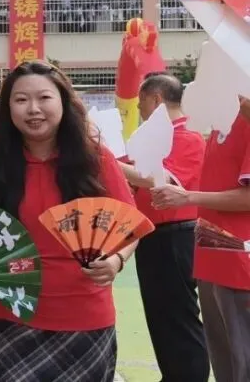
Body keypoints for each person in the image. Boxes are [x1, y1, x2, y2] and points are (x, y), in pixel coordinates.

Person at [0, 60, 136, 381]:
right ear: (8, 108)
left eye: (44, 98)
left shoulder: (96, 160)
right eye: (21, 100)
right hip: (11, 314)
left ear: (63, 102)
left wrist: (116, 261)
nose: (33, 109)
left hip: (85, 315)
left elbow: (130, 227)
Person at [153, 94, 250, 382]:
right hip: (210, 256)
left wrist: (189, 197)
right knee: (225, 363)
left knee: (244, 361)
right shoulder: (223, 120)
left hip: (239, 262)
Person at [119, 73, 209, 382]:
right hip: (155, 235)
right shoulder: (153, 138)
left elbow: (160, 179)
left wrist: (108, 161)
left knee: (178, 316)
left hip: (176, 235)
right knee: (161, 316)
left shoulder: (187, 137)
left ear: (156, 99)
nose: (139, 109)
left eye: (141, 102)